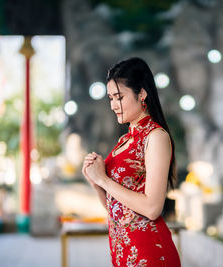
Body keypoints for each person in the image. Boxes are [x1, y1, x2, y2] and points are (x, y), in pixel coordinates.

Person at [82, 57, 181, 266]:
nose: (113, 105)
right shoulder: (124, 141)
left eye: (119, 97)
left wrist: (104, 180)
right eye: (110, 98)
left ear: (142, 93)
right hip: (123, 253)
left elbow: (153, 208)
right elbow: (117, 210)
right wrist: (96, 183)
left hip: (150, 254)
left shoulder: (155, 137)